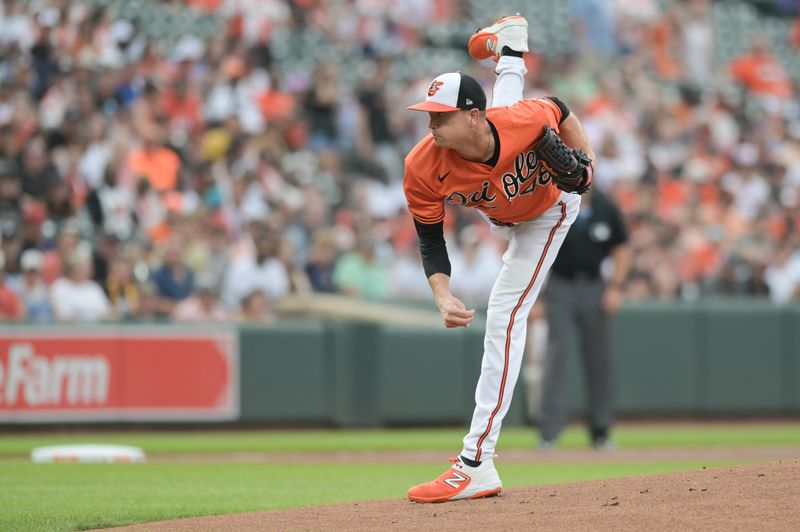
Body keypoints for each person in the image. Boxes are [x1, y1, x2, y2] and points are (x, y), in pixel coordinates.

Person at [403, 15, 595, 503]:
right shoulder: (422, 164)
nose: (431, 124)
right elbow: (430, 239)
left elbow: (559, 108)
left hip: (548, 211)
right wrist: (442, 294)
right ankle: (510, 49)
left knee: (505, 316)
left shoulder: (517, 120)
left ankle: (476, 462)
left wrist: (587, 167)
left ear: (470, 114)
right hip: (504, 211)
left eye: (439, 115)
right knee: (508, 112)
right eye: (428, 115)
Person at [536, 189, 632, 451]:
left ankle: (600, 431)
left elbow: (621, 247)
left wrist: (616, 286)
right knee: (556, 357)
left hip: (594, 285)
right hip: (560, 285)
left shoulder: (604, 208)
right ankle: (548, 432)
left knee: (599, 360)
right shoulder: (553, 203)